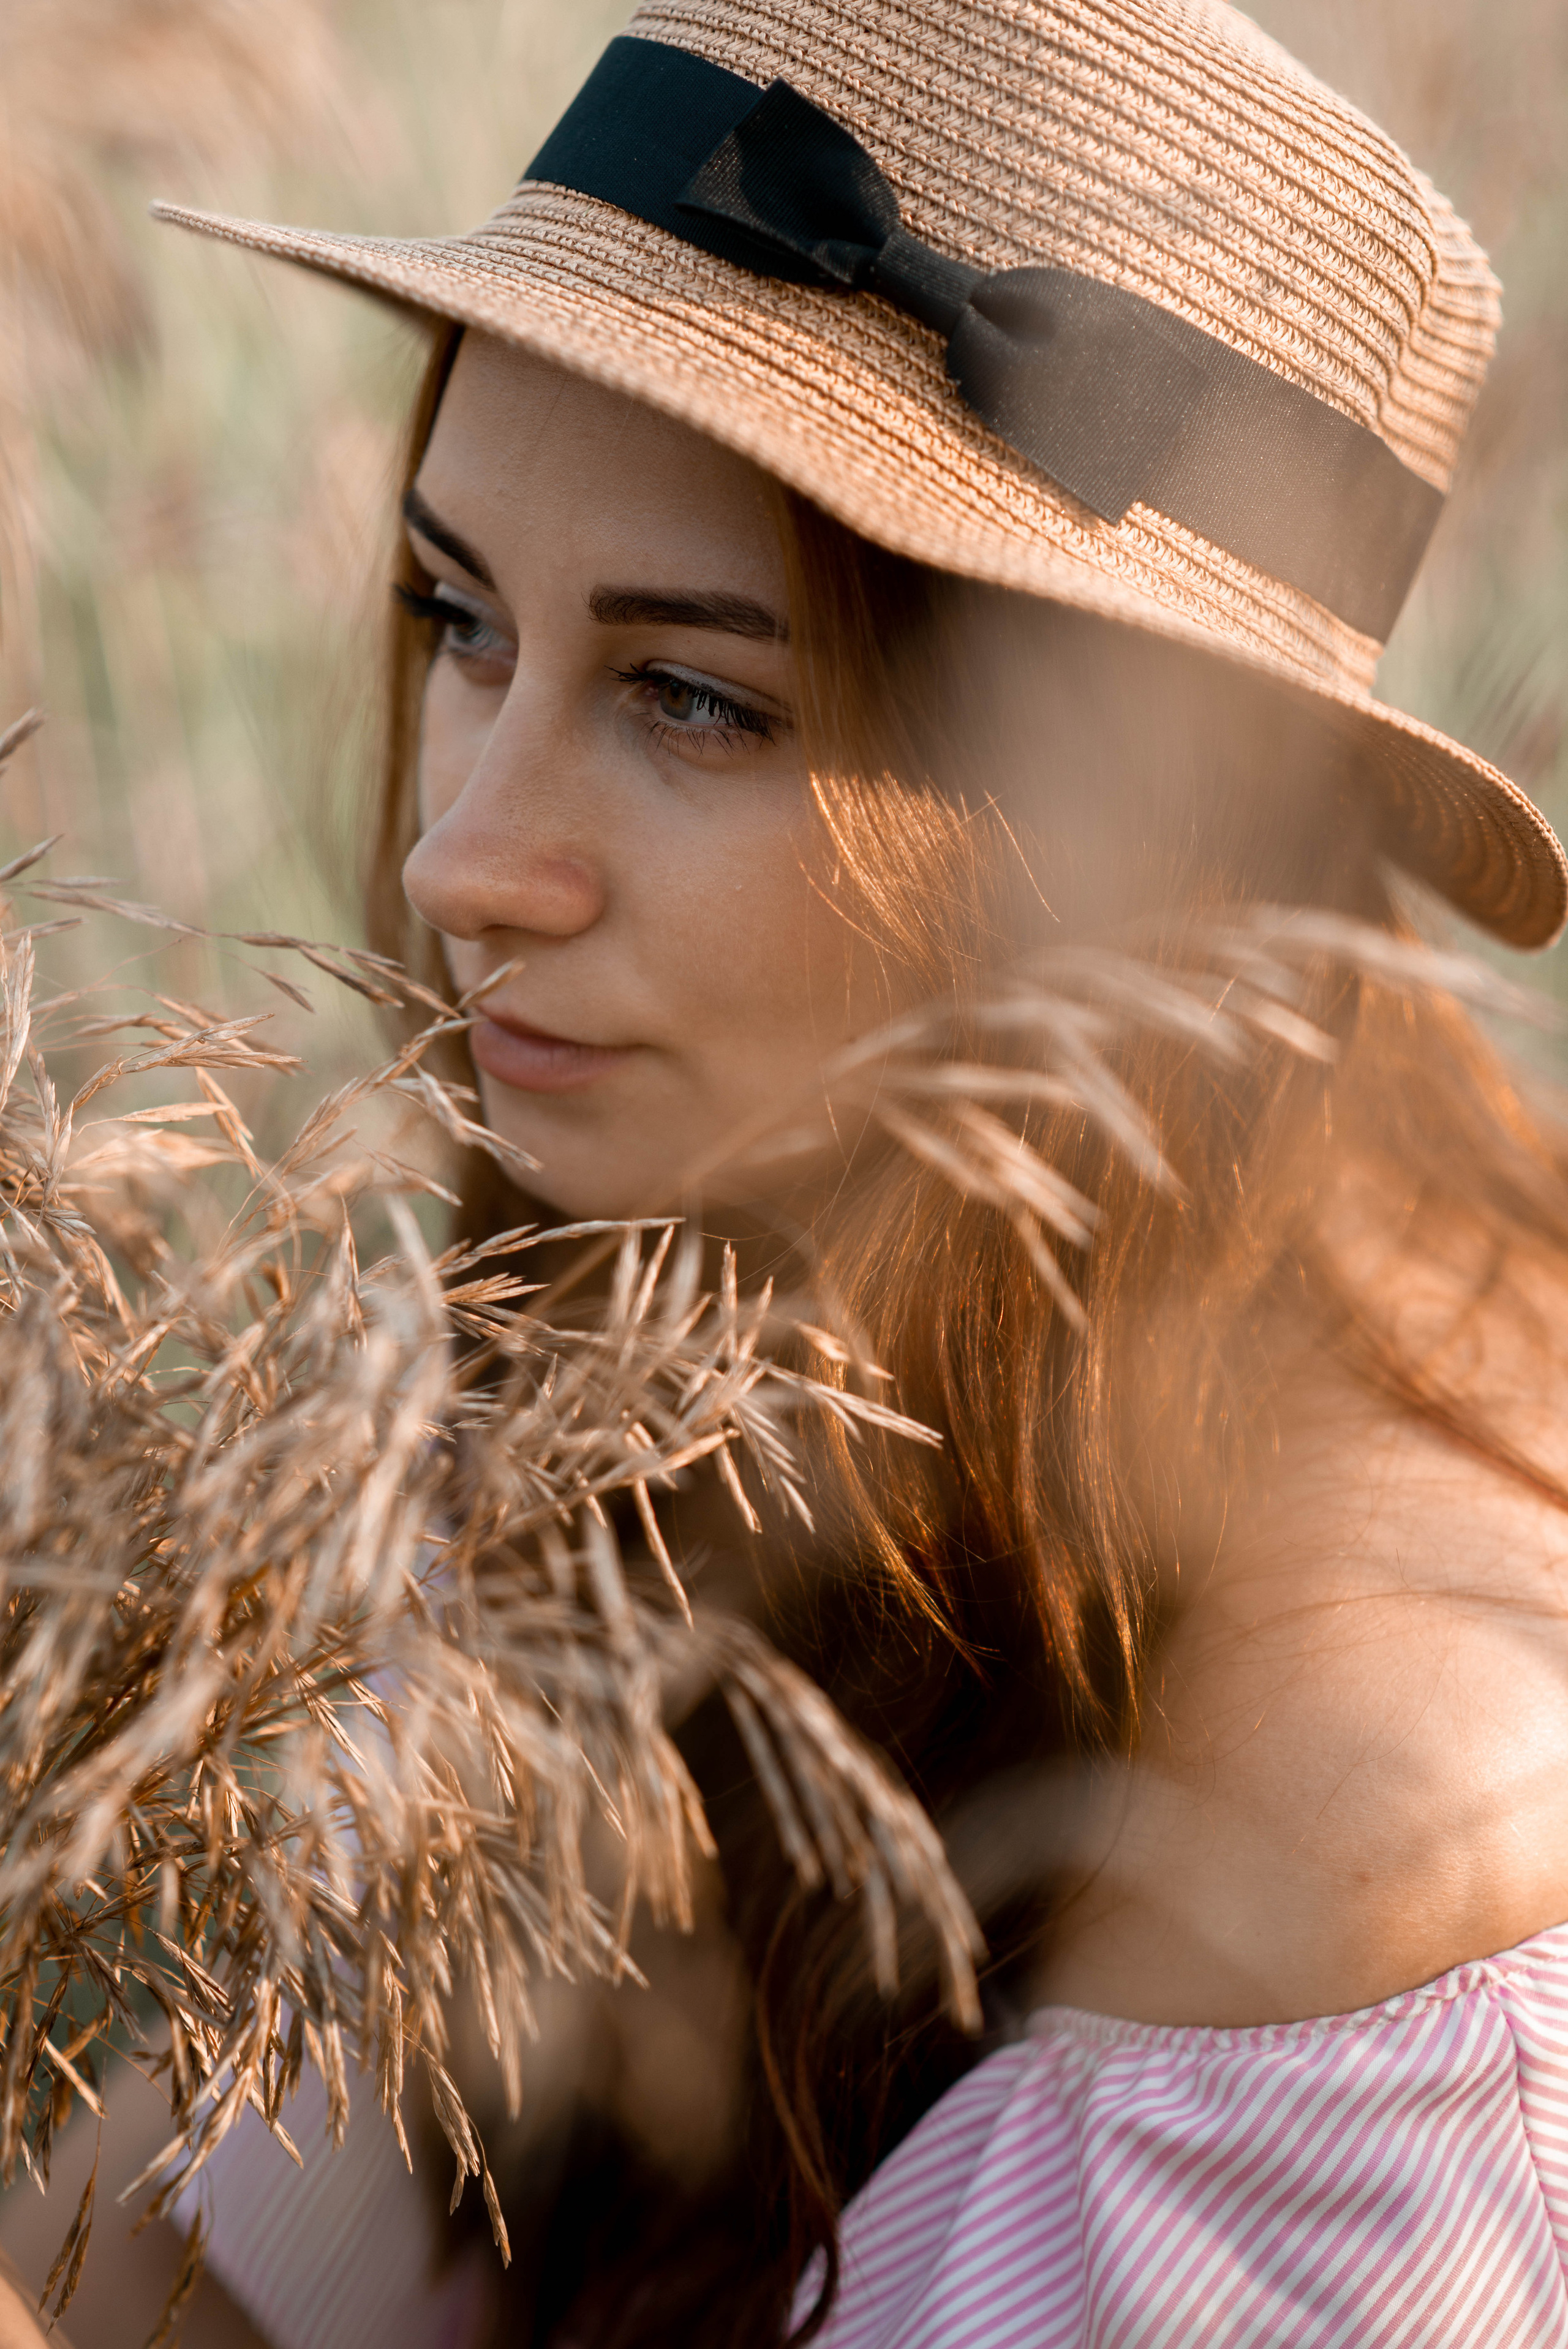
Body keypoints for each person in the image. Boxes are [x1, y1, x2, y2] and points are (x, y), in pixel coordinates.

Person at [12, 0, 1568, 2343]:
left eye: (700, 696)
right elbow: (189, 2276)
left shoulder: (1372, 1861)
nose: (463, 853)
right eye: (462, 617)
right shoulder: (703, 1313)